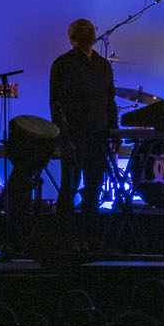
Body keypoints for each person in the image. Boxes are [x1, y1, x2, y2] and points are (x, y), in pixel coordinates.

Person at [49, 17, 117, 218]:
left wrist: (113, 131)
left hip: (99, 134)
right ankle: (66, 238)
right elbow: (56, 103)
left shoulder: (103, 65)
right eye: (83, 30)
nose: (88, 32)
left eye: (90, 29)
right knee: (68, 189)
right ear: (73, 38)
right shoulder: (62, 64)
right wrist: (62, 136)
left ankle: (90, 238)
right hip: (74, 135)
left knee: (93, 190)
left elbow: (110, 101)